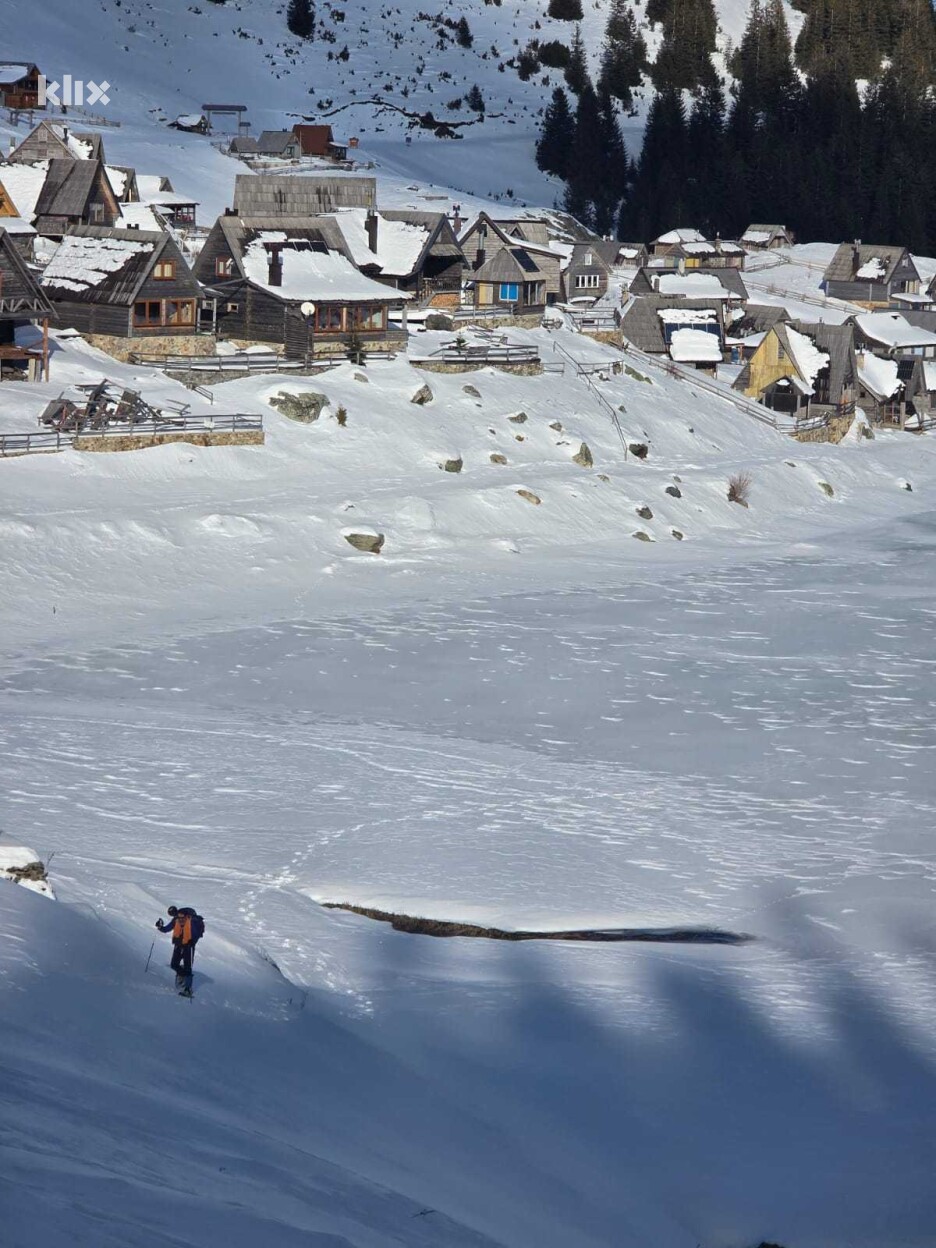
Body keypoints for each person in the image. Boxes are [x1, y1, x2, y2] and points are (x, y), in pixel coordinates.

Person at [156, 905, 198, 996]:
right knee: (178, 966)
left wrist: (160, 927)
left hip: (186, 946)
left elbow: (167, 929)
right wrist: (160, 928)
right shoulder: (176, 919)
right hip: (183, 946)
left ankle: (188, 988)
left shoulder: (189, 920)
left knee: (181, 966)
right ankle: (184, 978)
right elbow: (168, 928)